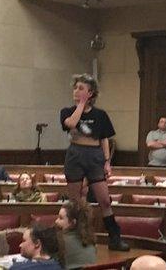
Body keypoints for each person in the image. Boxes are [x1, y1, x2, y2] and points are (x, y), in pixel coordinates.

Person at [60, 74, 128, 251]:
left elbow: (104, 138)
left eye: (81, 88)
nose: (76, 91)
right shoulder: (67, 111)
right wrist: (80, 105)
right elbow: (71, 124)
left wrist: (107, 162)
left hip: (94, 155)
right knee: (75, 202)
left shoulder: (100, 115)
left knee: (104, 200)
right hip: (75, 154)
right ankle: (77, 238)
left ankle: (114, 237)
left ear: (91, 93)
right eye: (75, 88)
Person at [55, 201, 97, 269]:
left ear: (72, 223)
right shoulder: (91, 242)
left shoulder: (60, 241)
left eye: (61, 218)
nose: (56, 221)